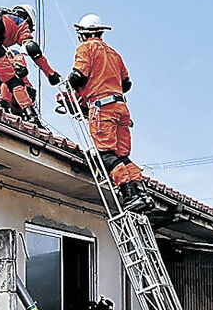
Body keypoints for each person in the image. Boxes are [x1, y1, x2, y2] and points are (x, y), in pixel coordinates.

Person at [65, 14, 153, 213]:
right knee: (122, 156)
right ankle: (142, 194)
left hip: (102, 108)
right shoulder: (114, 54)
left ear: (83, 33)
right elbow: (127, 84)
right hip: (121, 109)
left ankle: (129, 194)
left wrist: (70, 90)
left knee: (106, 155)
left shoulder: (85, 48)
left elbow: (78, 75)